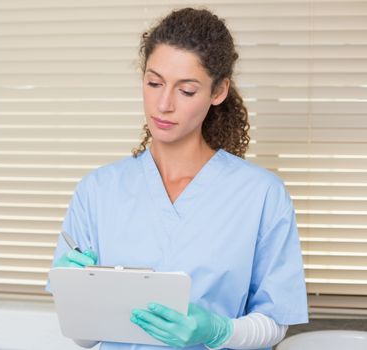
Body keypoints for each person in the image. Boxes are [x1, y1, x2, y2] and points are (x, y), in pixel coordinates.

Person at [48, 7, 308, 350]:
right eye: (154, 83)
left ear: (218, 92)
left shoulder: (261, 194)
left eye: (186, 90)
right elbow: (85, 337)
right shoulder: (98, 191)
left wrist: (217, 331)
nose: (164, 104)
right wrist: (76, 291)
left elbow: (275, 321)